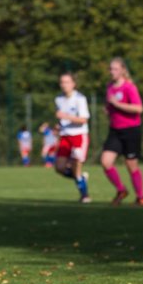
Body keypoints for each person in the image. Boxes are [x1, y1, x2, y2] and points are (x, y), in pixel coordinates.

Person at [99, 57, 143, 207]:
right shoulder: (109, 87)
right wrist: (108, 109)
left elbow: (139, 109)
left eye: (114, 69)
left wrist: (117, 104)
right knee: (105, 162)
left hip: (131, 130)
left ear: (122, 70)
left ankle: (141, 198)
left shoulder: (129, 87)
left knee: (131, 165)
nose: (111, 71)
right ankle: (121, 190)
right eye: (110, 69)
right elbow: (112, 106)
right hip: (115, 131)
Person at [52, 73, 91, 203]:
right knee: (59, 167)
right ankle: (81, 179)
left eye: (67, 82)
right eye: (62, 82)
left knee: (76, 165)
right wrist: (58, 126)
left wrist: (66, 116)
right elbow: (61, 119)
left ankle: (85, 195)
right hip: (65, 136)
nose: (64, 85)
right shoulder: (58, 99)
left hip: (79, 136)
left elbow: (83, 119)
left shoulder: (80, 99)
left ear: (73, 84)